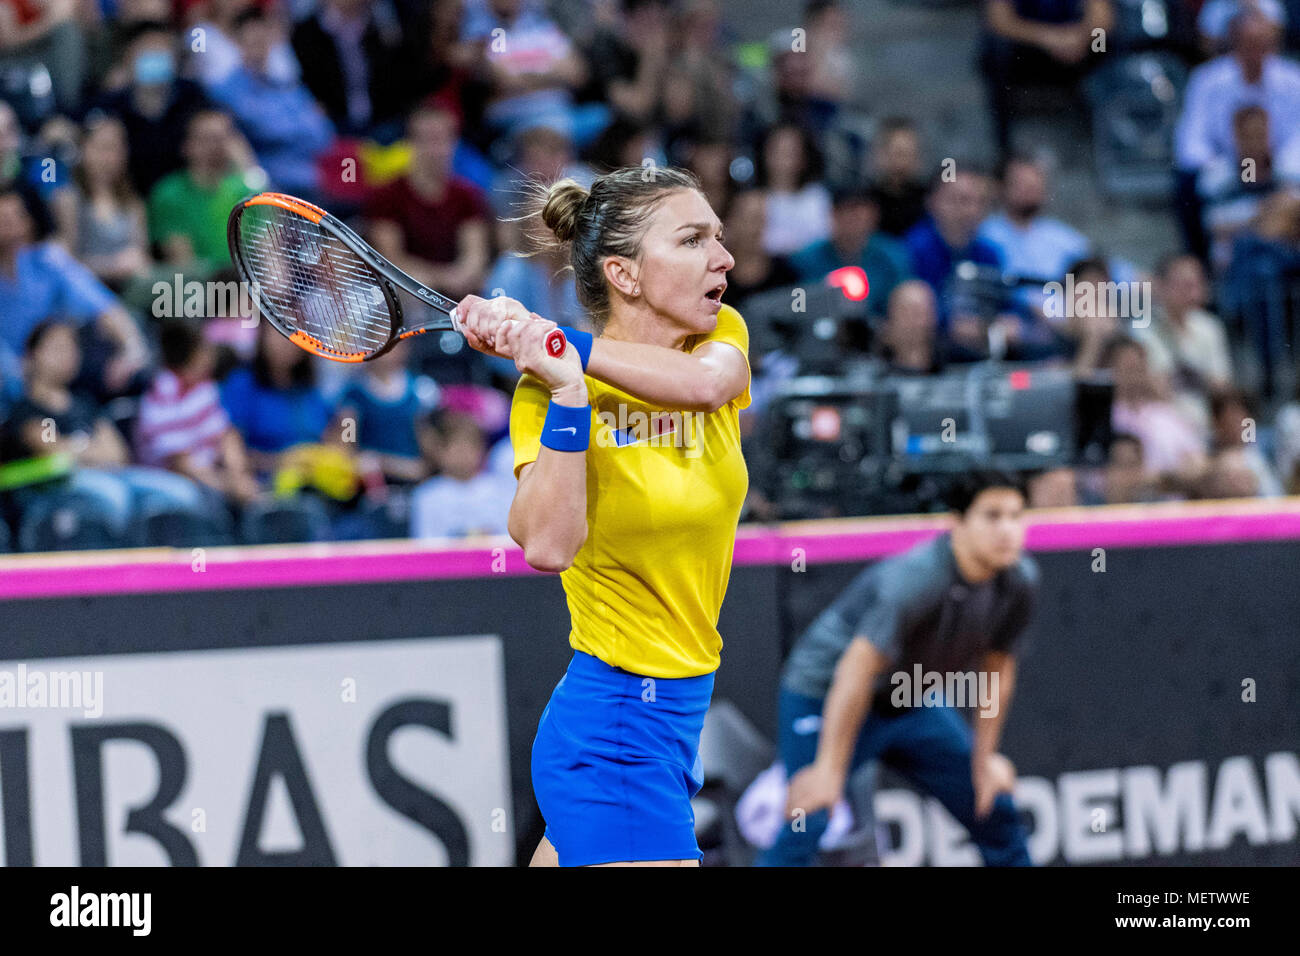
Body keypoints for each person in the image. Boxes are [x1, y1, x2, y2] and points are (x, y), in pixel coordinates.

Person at [455, 165, 749, 866]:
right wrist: (565, 395)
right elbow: (549, 546)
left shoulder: (717, 341)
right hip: (615, 723)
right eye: (693, 240)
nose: (725, 258)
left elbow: (707, 387)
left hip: (676, 716)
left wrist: (559, 343)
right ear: (626, 274)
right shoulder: (545, 396)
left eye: (718, 236)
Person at [755, 471, 1037, 866]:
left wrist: (984, 758)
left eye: (1016, 515)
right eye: (992, 516)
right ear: (957, 523)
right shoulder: (917, 577)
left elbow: (996, 671)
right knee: (811, 815)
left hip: (909, 697)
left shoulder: (1019, 581)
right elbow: (856, 670)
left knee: (992, 802)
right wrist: (828, 770)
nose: (1007, 530)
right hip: (824, 693)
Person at [0, 187, 150, 400]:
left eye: (19, 217)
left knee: (134, 373)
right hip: (15, 386)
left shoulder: (48, 259)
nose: (13, 229)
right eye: (4, 221)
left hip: (62, 368)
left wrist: (131, 348)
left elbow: (102, 306)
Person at [364, 103, 492, 301]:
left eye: (444, 140)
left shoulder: (467, 195)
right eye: (429, 140)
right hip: (408, 289)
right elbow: (391, 259)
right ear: (411, 144)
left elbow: (475, 255)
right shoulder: (387, 195)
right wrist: (441, 279)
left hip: (457, 289)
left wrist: (460, 276)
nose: (438, 150)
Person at [136, 319, 260, 505]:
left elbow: (226, 436)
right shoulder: (161, 396)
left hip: (213, 476)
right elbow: (181, 464)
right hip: (173, 483)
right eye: (205, 347)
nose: (212, 354)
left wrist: (237, 474)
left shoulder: (205, 387)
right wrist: (229, 487)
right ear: (189, 353)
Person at [148, 109, 263, 277]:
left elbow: (270, 257)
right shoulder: (169, 194)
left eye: (225, 137)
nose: (218, 146)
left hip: (250, 287)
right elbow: (185, 266)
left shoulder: (248, 190)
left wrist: (248, 168)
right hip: (202, 290)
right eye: (208, 138)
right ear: (186, 145)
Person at [410, 407, 513, 537]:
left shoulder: (500, 490)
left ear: (482, 450)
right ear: (440, 451)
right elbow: (425, 541)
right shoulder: (427, 496)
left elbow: (508, 536)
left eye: (470, 448)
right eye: (457, 448)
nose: (464, 455)